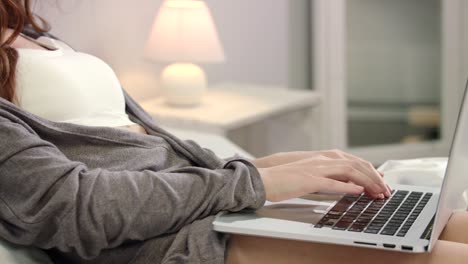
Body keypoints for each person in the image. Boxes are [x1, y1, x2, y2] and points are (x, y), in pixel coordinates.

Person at [0, 1, 467, 263]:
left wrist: (279, 168)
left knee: (445, 224)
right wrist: (254, 182)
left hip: (209, 206)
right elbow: (74, 207)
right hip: (173, 242)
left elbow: (152, 151)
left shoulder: (35, 34)